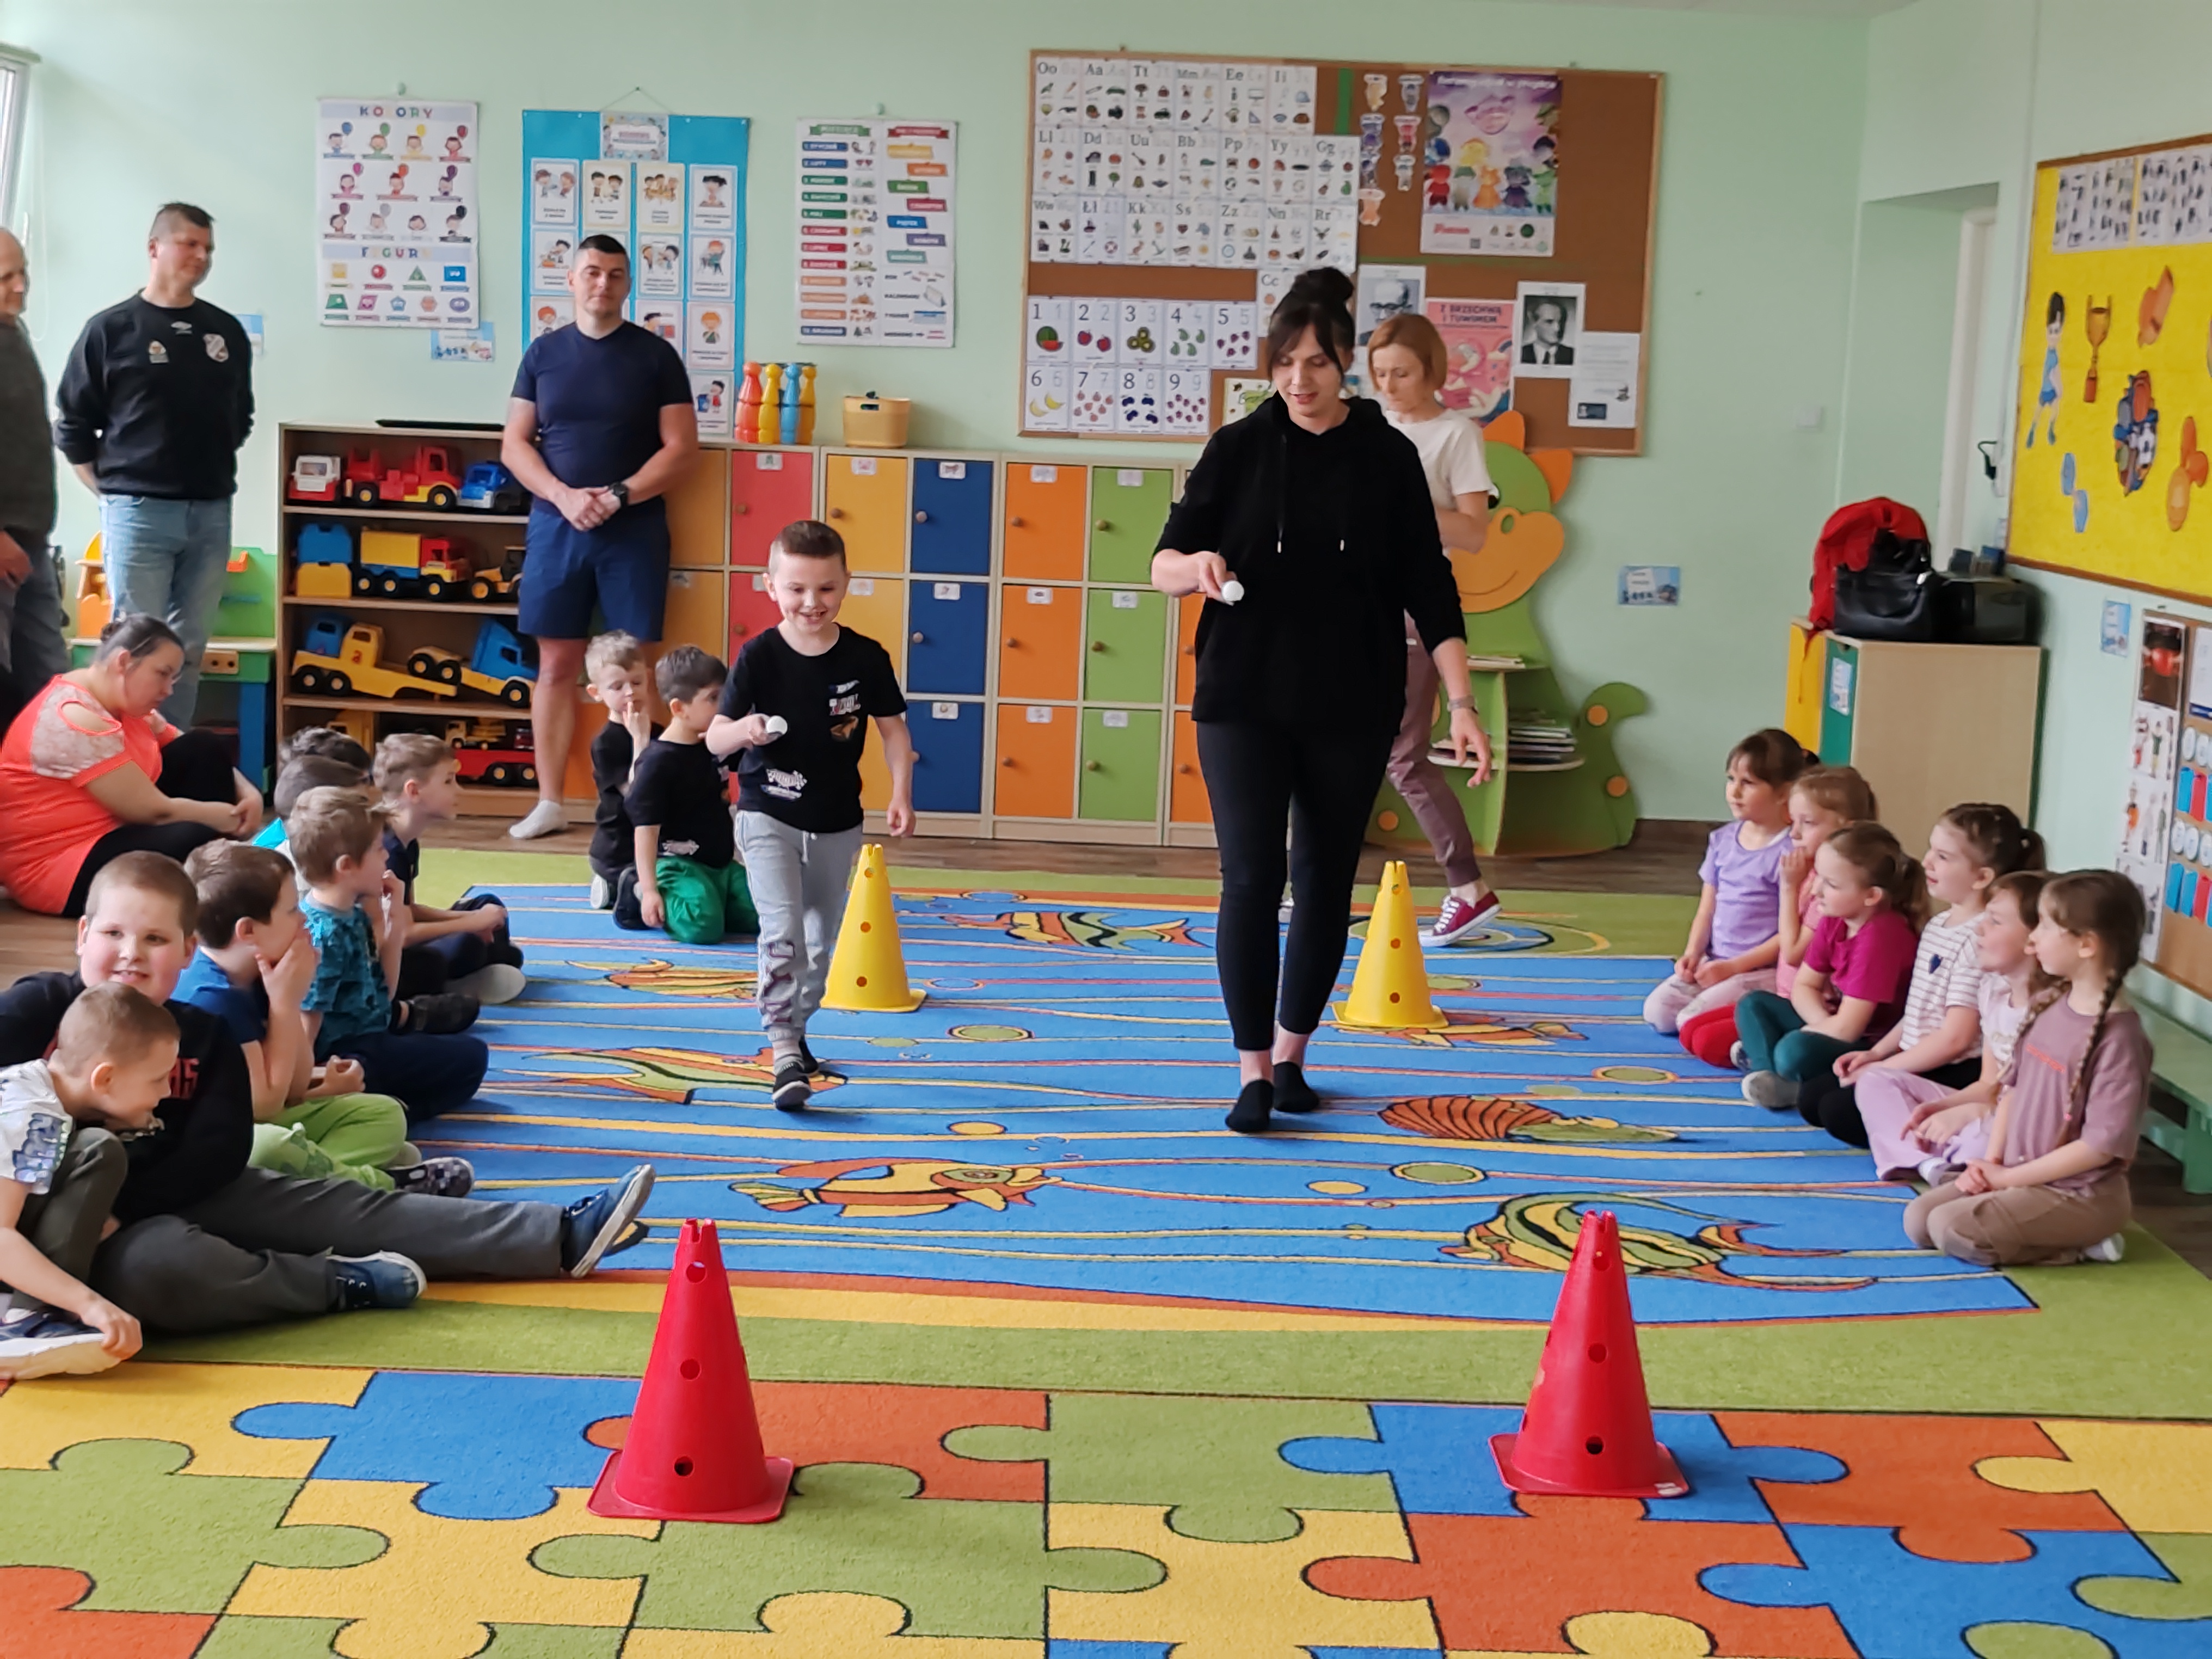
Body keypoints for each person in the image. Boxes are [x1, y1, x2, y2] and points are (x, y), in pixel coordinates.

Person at [0, 853, 659, 1335]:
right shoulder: (39, 1009)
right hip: (53, 1237)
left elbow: (220, 1152)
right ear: (83, 935)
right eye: (113, 934)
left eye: (154, 939)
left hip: (161, 1200)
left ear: (188, 949)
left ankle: (555, 1236)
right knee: (160, 1269)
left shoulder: (201, 1033)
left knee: (333, 1204)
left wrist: (124, 1201)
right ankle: (336, 1282)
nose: (131, 955)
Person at [1149, 267, 1483, 1133]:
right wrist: (1196, 567)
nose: (1300, 380)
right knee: (1251, 877)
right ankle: (1253, 1071)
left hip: (1352, 700)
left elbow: (1431, 587)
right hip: (1242, 696)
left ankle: (1294, 1056)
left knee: (1326, 879)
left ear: (1346, 366)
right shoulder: (1238, 447)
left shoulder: (1388, 457)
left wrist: (1462, 702)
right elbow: (1163, 562)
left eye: (1318, 363)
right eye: (1285, 363)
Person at [707, 520, 913, 1111]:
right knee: (782, 933)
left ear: (846, 583)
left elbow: (894, 732)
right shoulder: (758, 656)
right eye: (796, 589)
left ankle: (796, 1030)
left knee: (820, 946)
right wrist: (744, 730)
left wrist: (901, 793)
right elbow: (714, 738)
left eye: (825, 588)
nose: (811, 603)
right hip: (765, 813)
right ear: (770, 585)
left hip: (837, 820)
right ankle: (782, 1050)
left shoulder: (866, 657)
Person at [501, 235, 698, 841]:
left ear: (628, 284)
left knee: (633, 669)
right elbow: (514, 445)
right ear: (571, 279)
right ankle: (550, 801)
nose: (602, 284)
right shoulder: (543, 354)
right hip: (556, 527)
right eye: (591, 272)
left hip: (632, 530)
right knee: (557, 664)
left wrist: (617, 495)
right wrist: (564, 496)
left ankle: (642, 798)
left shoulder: (656, 356)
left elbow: (681, 449)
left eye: (615, 274)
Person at [175, 840, 472, 1195]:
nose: (303, 917)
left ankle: (320, 1175)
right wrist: (286, 1004)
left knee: (385, 1113)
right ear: (248, 931)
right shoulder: (214, 997)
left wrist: (323, 1084)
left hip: (260, 1119)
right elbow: (264, 1106)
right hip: (225, 1135)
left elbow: (296, 1084)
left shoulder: (258, 973)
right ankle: (378, 1186)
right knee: (270, 1147)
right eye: (291, 910)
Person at [53, 204, 254, 727]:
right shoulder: (110, 330)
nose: (201, 256)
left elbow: (241, 418)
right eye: (189, 244)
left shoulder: (225, 332)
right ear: (154, 248)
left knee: (188, 647)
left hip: (210, 511)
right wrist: (113, 495)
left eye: (207, 248)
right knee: (136, 649)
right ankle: (125, 754)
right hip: (138, 512)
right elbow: (73, 425)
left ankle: (170, 753)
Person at [1905, 871, 2150, 1267]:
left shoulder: (2120, 1039)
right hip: (2018, 1177)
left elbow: (2098, 1147)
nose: (2033, 938)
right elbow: (2011, 1092)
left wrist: (2006, 1181)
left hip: (2077, 1195)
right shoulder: (2047, 1005)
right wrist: (1991, 1166)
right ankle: (2059, 1238)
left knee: (1950, 1228)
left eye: (2047, 927)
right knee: (1919, 1221)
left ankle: (2079, 1244)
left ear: (2086, 945)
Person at [1365, 312, 1500, 943]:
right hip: (1348, 606)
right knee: (1325, 743)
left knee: (1403, 757)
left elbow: (1472, 533)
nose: (1388, 386)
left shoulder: (1455, 435)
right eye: (1379, 374)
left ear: (1431, 372)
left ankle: (1468, 888)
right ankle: (1308, 880)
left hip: (1413, 608)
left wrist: (1402, 510)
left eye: (1401, 374)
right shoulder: (1363, 426)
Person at [1804, 803, 2046, 1145]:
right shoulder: (1938, 925)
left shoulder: (1980, 939)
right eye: (1932, 850)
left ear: (1981, 877)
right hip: (1917, 1055)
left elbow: (1955, 1039)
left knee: (1836, 1110)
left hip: (1952, 1066)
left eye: (1943, 857)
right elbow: (1918, 1009)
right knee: (1813, 1097)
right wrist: (1878, 1054)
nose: (1927, 861)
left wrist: (1883, 1070)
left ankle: (1942, 1133)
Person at [0, 613, 261, 917]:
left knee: (203, 746)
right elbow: (152, 810)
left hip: (112, 827)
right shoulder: (74, 717)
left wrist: (249, 794)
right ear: (124, 662)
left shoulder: (122, 701)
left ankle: (216, 875)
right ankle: (219, 884)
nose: (168, 690)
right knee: (195, 837)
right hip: (61, 863)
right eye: (162, 674)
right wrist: (224, 818)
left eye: (173, 679)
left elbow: (184, 744)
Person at [0, 983, 171, 1378]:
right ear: (104, 1078)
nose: (165, 1091)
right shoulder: (35, 1115)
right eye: (157, 1079)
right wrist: (88, 1304)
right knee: (98, 1150)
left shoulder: (32, 1086)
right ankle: (30, 1320)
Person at [290, 788, 485, 1120]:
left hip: (372, 1034)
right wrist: (311, 1084)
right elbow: (307, 1026)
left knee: (465, 1052)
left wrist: (392, 923)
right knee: (472, 1059)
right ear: (346, 866)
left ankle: (383, 1103)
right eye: (379, 849)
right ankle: (385, 1112)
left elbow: (385, 995)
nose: (386, 857)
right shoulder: (324, 936)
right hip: (346, 1055)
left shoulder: (351, 915)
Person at [1860, 869, 2050, 1183]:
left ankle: (1954, 1162)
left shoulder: (2050, 1012)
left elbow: (2037, 1107)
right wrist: (1940, 1108)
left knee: (1981, 1140)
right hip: (1990, 1110)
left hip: (2020, 1123)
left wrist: (1974, 1113)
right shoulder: (1993, 991)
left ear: (2034, 938)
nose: (1979, 929)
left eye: (1995, 922)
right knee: (1875, 1080)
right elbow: (1987, 1085)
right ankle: (1927, 1164)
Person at [1687, 764, 1875, 1071]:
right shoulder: (1810, 873)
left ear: (1847, 830)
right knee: (1693, 1032)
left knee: (1708, 1041)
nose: (1795, 833)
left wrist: (1788, 888)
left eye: (1808, 823)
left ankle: (1766, 1063)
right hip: (1788, 997)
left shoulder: (1833, 891)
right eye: (1794, 821)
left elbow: (1792, 951)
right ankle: (1760, 1052)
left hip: (1810, 1007)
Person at [1735, 823, 1925, 1110]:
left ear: (1871, 896)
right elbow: (1804, 985)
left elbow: (1850, 1029)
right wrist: (1819, 1023)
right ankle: (1768, 1074)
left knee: (1793, 1050)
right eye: (1818, 877)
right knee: (1753, 1005)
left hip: (1872, 1044)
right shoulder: (1836, 918)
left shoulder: (1881, 935)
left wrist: (1811, 1032)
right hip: (1835, 1023)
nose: (1816, 890)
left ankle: (1782, 1073)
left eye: (1832, 885)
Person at [1644, 729, 1803, 1048]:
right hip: (1715, 962)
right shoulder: (1722, 840)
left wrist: (1733, 968)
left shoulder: (1792, 853)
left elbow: (1791, 932)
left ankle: (1755, 1028)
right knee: (1658, 1013)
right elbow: (1707, 909)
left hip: (1759, 971)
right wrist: (1693, 954)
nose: (1735, 792)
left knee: (1688, 1022)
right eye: (1731, 780)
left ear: (1784, 792)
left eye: (1749, 783)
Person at [616, 646, 759, 947]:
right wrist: (650, 889)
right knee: (703, 928)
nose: (725, 706)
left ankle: (713, 902)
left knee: (766, 913)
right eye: (713, 698)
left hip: (720, 865)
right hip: (677, 864)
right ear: (679, 709)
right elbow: (646, 830)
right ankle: (634, 891)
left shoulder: (715, 745)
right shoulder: (658, 763)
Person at [375, 734, 527, 1005]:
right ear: (414, 791)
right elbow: (402, 934)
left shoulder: (407, 842)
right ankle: (454, 984)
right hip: (383, 957)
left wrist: (475, 917)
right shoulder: (385, 849)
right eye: (448, 781)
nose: (459, 790)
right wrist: (472, 923)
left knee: (488, 905)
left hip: (401, 936)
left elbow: (409, 910)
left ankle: (478, 967)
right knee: (465, 945)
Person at [0, 228, 70, 733]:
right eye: (6, 277)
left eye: (23, 272)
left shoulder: (15, 334)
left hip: (33, 542)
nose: (21, 286)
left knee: (51, 689)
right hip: (4, 542)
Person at [584, 630, 658, 910]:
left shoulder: (660, 732)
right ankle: (610, 882)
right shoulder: (605, 743)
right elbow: (637, 796)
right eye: (617, 687)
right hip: (617, 849)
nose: (630, 692)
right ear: (596, 693)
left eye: (637, 682)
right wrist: (640, 742)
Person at [1519, 297, 1574, 367]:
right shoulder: (1520, 353)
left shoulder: (1573, 355)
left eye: (1561, 322)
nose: (1557, 329)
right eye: (1549, 322)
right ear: (1533, 322)